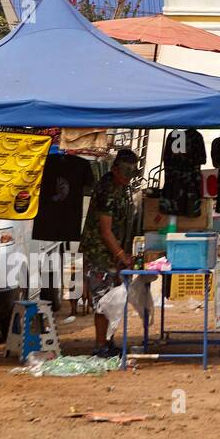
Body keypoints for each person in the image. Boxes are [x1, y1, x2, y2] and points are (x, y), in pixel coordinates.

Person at [80, 149, 139, 357]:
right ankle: (99, 346)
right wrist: (121, 255)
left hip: (111, 252)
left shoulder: (121, 187)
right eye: (124, 174)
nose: (127, 179)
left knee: (112, 299)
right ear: (115, 169)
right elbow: (105, 231)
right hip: (100, 253)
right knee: (102, 300)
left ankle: (108, 341)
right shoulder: (107, 188)